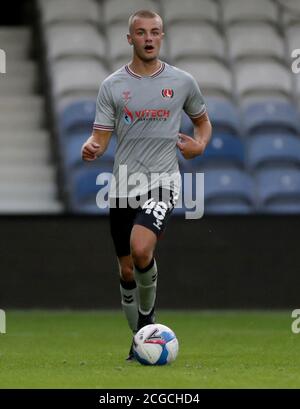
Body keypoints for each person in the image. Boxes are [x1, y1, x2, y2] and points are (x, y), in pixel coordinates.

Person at [81, 10, 212, 360]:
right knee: (126, 268)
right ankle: (141, 332)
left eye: (155, 32)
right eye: (141, 33)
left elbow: (202, 123)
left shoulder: (182, 81)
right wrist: (92, 147)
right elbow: (100, 138)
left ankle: (146, 324)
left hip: (163, 181)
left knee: (142, 250)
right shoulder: (112, 86)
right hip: (124, 186)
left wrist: (199, 145)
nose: (149, 38)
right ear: (130, 39)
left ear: (162, 36)